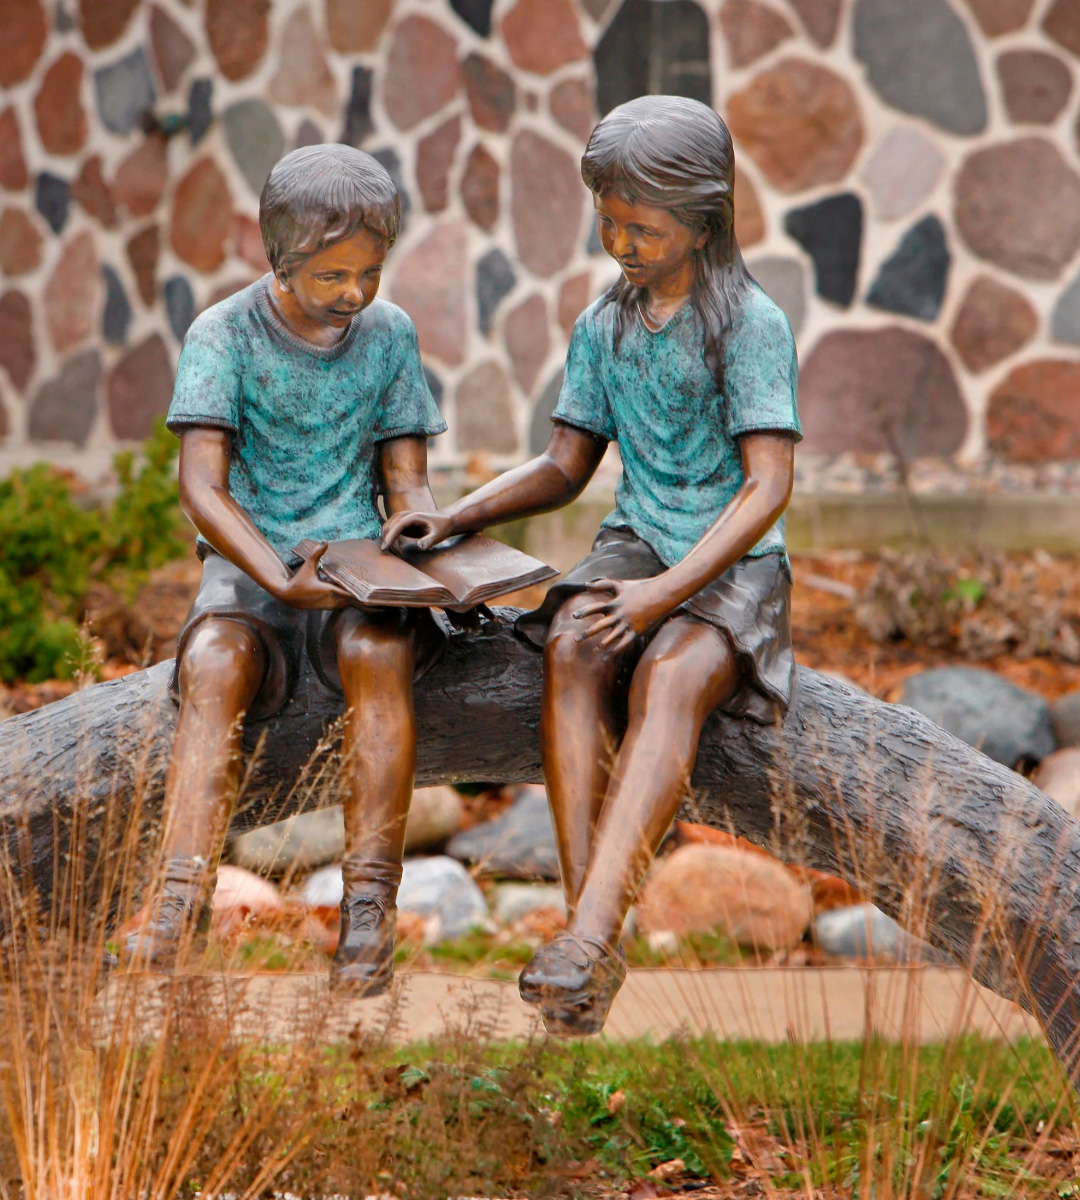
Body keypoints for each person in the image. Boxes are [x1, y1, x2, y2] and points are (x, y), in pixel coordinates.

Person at [382, 95, 801, 1033]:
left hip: (728, 557)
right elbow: (567, 466)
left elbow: (766, 487)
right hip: (639, 537)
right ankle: (592, 933)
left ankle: (589, 931)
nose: (621, 241)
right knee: (570, 645)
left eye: (642, 226)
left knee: (672, 677)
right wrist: (455, 515)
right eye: (608, 220)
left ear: (704, 217)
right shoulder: (604, 325)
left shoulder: (750, 325)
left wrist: (662, 594)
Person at [123, 144, 447, 996]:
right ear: (282, 258)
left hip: (351, 568)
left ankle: (368, 914)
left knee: (381, 657)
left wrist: (414, 516)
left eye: (370, 273)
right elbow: (202, 487)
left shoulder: (389, 337)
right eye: (334, 275)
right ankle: (179, 902)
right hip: (249, 569)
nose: (355, 294)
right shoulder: (222, 334)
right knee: (214, 665)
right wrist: (272, 574)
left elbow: (404, 473)